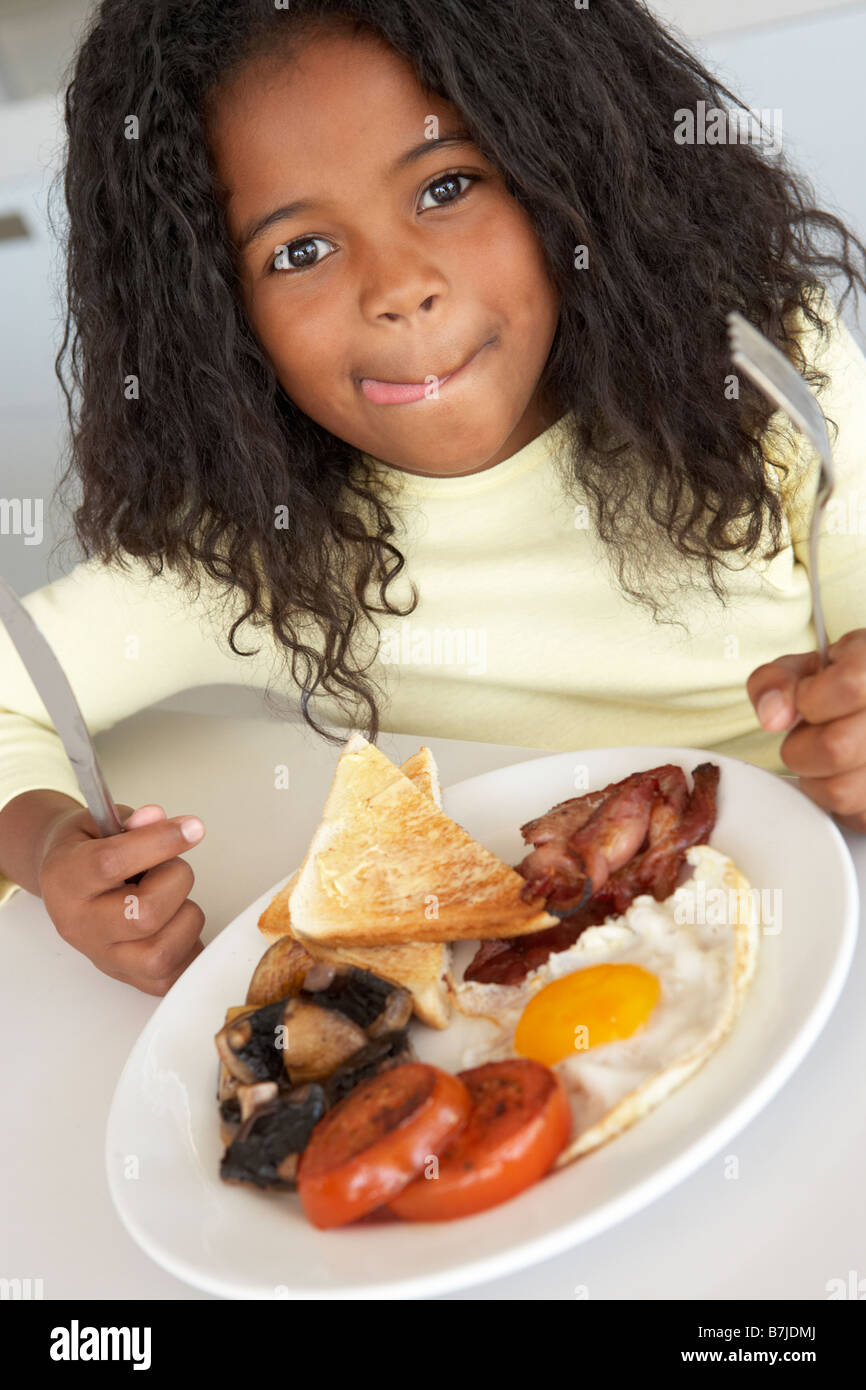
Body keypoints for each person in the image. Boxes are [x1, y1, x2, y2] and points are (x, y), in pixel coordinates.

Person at [2, 0, 865, 995]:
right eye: (298, 251)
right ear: (214, 324)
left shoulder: (757, 375)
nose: (398, 286)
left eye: (446, 185)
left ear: (566, 160)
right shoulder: (250, 552)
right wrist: (55, 847)